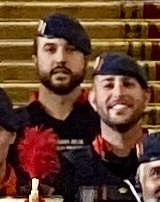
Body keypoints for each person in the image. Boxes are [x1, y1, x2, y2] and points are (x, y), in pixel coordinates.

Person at [56, 50, 155, 202]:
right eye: (108, 85)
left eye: (128, 84)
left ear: (146, 96)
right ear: (92, 99)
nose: (118, 93)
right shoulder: (67, 167)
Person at [15, 13, 103, 173]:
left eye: (71, 49)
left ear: (86, 60)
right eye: (50, 49)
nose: (61, 58)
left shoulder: (106, 124)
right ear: (35, 60)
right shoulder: (13, 128)